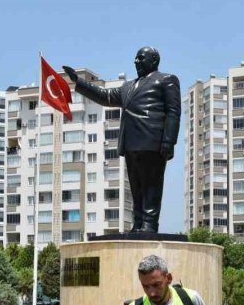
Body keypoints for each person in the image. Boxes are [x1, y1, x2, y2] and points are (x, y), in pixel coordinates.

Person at [62, 47, 180, 233]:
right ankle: (139, 222)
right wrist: (79, 82)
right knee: (136, 187)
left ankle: (150, 224)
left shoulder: (166, 80)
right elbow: (106, 97)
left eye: (140, 58)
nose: (136, 61)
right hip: (131, 143)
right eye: (135, 58)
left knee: (151, 185)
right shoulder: (128, 86)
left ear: (154, 60)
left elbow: (173, 112)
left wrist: (169, 141)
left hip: (153, 141)